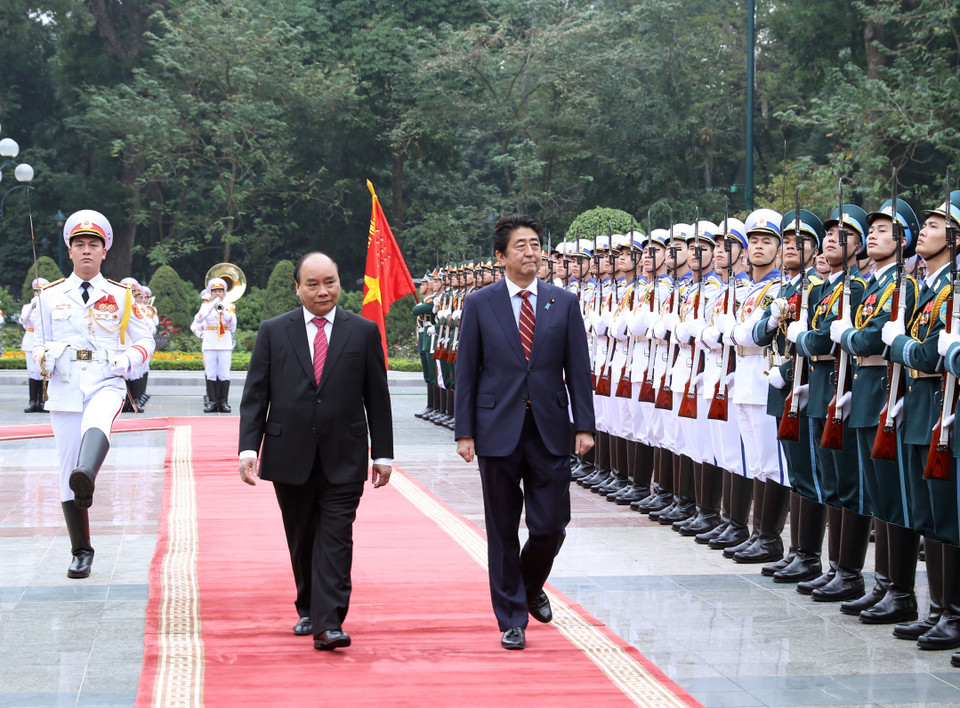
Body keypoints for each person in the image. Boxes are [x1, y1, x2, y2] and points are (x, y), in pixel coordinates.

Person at [238, 251, 393, 651]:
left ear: (341, 283)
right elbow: (256, 395)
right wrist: (247, 449)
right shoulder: (274, 331)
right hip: (289, 452)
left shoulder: (362, 331)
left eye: (330, 282)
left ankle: (329, 623)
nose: (323, 291)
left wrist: (384, 454)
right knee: (302, 537)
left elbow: (377, 397)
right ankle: (308, 604)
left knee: (337, 537)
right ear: (297, 288)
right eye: (313, 284)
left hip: (345, 452)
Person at [454, 214, 595, 650]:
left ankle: (530, 584)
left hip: (550, 428)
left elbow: (578, 368)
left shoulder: (563, 302)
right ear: (501, 256)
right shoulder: (480, 304)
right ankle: (511, 618)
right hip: (497, 429)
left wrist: (584, 425)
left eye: (536, 244)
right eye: (521, 245)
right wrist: (465, 431)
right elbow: (467, 371)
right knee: (500, 528)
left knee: (551, 524)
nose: (531, 252)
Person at [33, 210, 156, 578]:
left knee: (98, 421)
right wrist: (44, 357)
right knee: (66, 468)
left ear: (105, 252)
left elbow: (145, 338)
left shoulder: (121, 295)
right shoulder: (49, 296)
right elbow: (36, 347)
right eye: (79, 244)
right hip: (66, 384)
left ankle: (87, 472)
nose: (86, 251)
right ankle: (81, 549)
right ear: (69, 251)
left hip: (107, 379)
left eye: (94, 245)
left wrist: (127, 360)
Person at [194, 276, 236, 413]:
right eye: (214, 291)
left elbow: (232, 324)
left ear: (224, 293)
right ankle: (212, 402)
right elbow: (198, 319)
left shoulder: (230, 306)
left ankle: (223, 402)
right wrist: (211, 305)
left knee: (224, 373)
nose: (217, 293)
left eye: (220, 291)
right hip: (210, 341)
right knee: (211, 372)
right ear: (210, 294)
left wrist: (222, 309)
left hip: (224, 342)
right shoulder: (205, 306)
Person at [20, 277, 49, 412]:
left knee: (43, 372)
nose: (38, 294)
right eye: (36, 291)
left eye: (41, 291)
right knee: (32, 372)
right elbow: (22, 321)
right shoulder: (28, 307)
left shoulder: (48, 306)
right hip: (30, 338)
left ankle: (43, 401)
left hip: (43, 340)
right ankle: (33, 402)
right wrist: (31, 306)